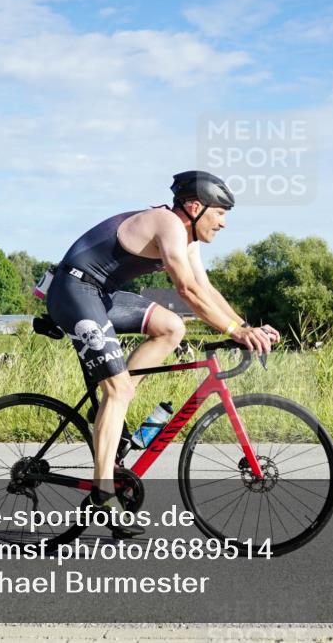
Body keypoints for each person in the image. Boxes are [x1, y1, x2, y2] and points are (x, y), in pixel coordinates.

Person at [47, 170, 280, 537]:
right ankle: (103, 493)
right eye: (220, 212)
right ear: (194, 206)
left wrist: (244, 328)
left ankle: (111, 407)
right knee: (118, 389)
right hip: (72, 291)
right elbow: (186, 289)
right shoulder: (168, 223)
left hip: (100, 295)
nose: (224, 222)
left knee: (172, 328)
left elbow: (206, 288)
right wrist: (234, 331)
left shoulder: (187, 238)